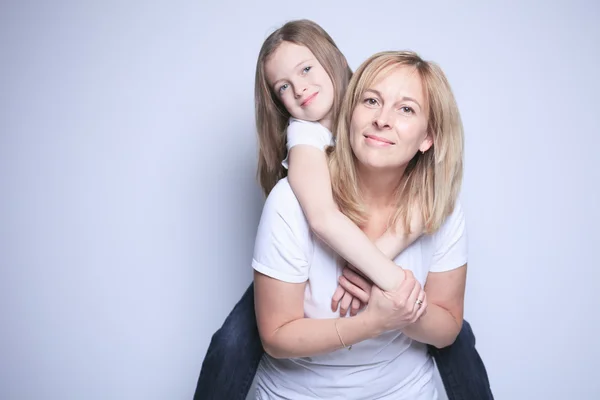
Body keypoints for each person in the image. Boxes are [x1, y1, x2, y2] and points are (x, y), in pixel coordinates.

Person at [194, 20, 494, 400]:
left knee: (455, 335)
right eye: (282, 87)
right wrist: (382, 285)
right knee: (235, 341)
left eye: (306, 69)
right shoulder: (304, 136)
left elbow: (430, 200)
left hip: (372, 280)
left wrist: (379, 271)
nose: (299, 89)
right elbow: (321, 217)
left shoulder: (368, 94)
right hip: (317, 245)